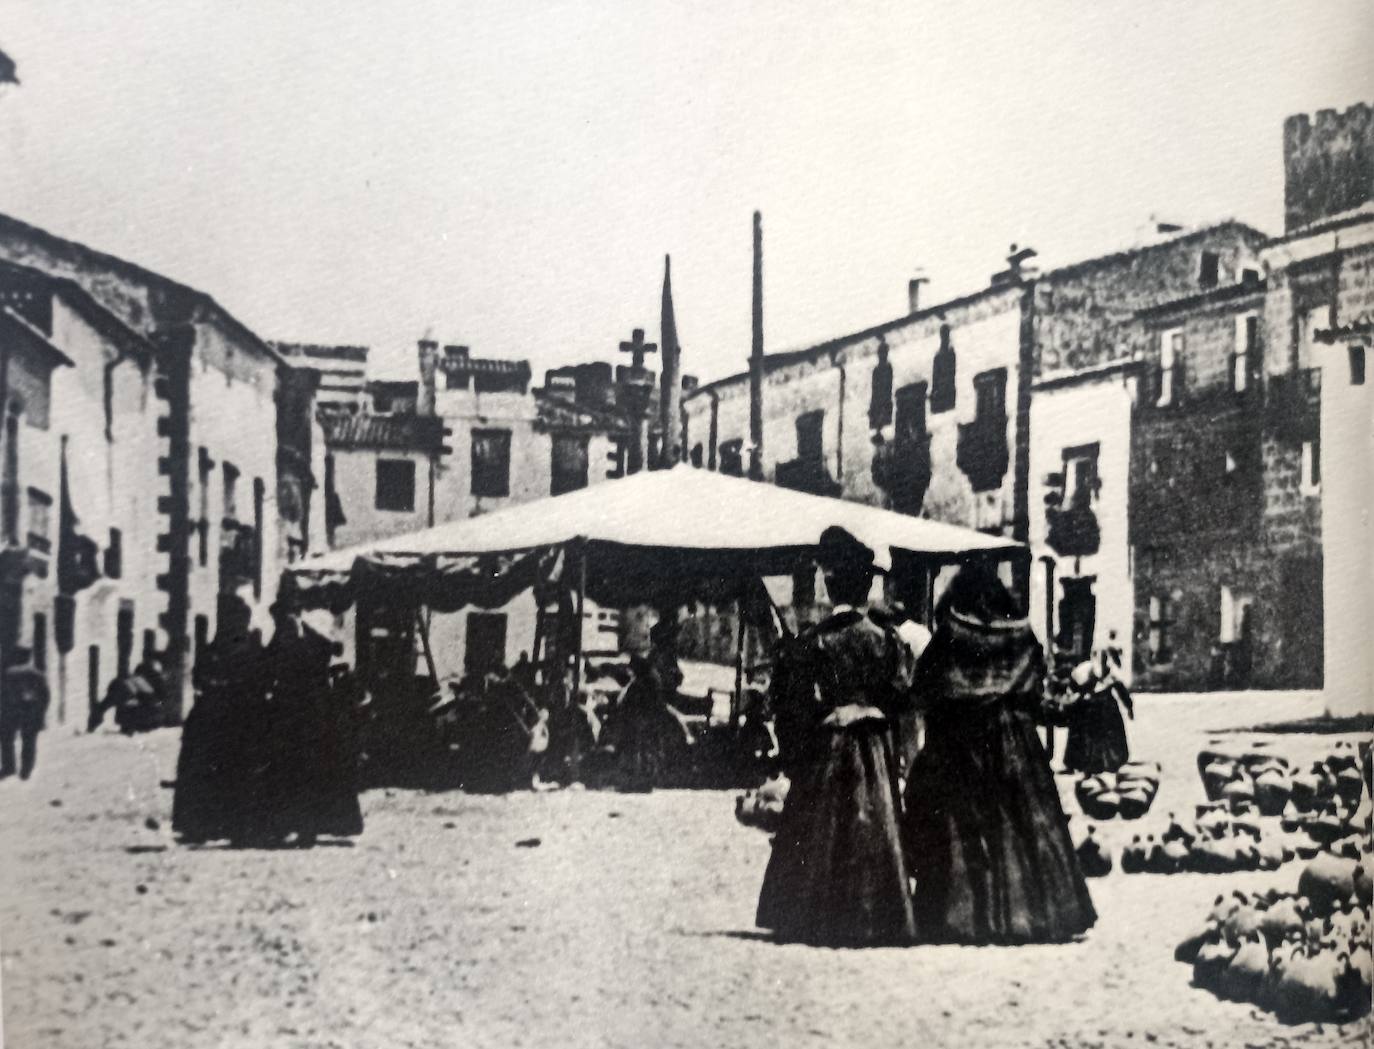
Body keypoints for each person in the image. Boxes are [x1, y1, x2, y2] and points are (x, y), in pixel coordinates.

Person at [902, 563, 1096, 945]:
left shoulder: (951, 636)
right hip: (1014, 743)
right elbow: (1037, 694)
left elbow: (925, 690)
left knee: (960, 829)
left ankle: (959, 917)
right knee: (1022, 826)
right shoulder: (1022, 636)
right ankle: (1034, 913)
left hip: (960, 743)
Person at [755, 526, 917, 947]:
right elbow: (902, 696)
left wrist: (799, 747)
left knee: (821, 826)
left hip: (829, 741)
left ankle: (816, 911)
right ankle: (877, 911)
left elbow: (792, 704)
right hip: (875, 743)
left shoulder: (816, 640)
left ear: (830, 584)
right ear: (867, 587)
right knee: (875, 820)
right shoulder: (887, 639)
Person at [173, 597, 260, 843]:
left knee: (235, 771)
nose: (240, 625)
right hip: (212, 715)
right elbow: (199, 677)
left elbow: (255, 678)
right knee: (204, 770)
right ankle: (202, 824)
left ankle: (234, 824)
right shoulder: (213, 649)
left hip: (237, 715)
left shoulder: (250, 649)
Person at [616, 614, 688, 792]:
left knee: (643, 744)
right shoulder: (656, 660)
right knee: (644, 744)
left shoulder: (656, 661)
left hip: (652, 707)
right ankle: (642, 778)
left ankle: (641, 778)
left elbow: (672, 679)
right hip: (653, 706)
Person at [1063, 631, 1133, 775]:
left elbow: (1120, 689)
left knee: (1107, 735)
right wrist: (1075, 700)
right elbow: (1073, 687)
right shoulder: (1083, 670)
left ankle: (1108, 762)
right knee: (1084, 736)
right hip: (1088, 708)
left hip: (1105, 708)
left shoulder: (1111, 673)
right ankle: (1080, 762)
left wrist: (1129, 706)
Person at [1, 647, 50, 781]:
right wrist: (41, 712)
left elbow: (3, 695)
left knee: (7, 740)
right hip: (32, 713)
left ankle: (9, 766)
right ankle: (26, 770)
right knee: (29, 741)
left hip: (12, 712)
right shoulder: (38, 675)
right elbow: (45, 696)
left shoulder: (8, 674)